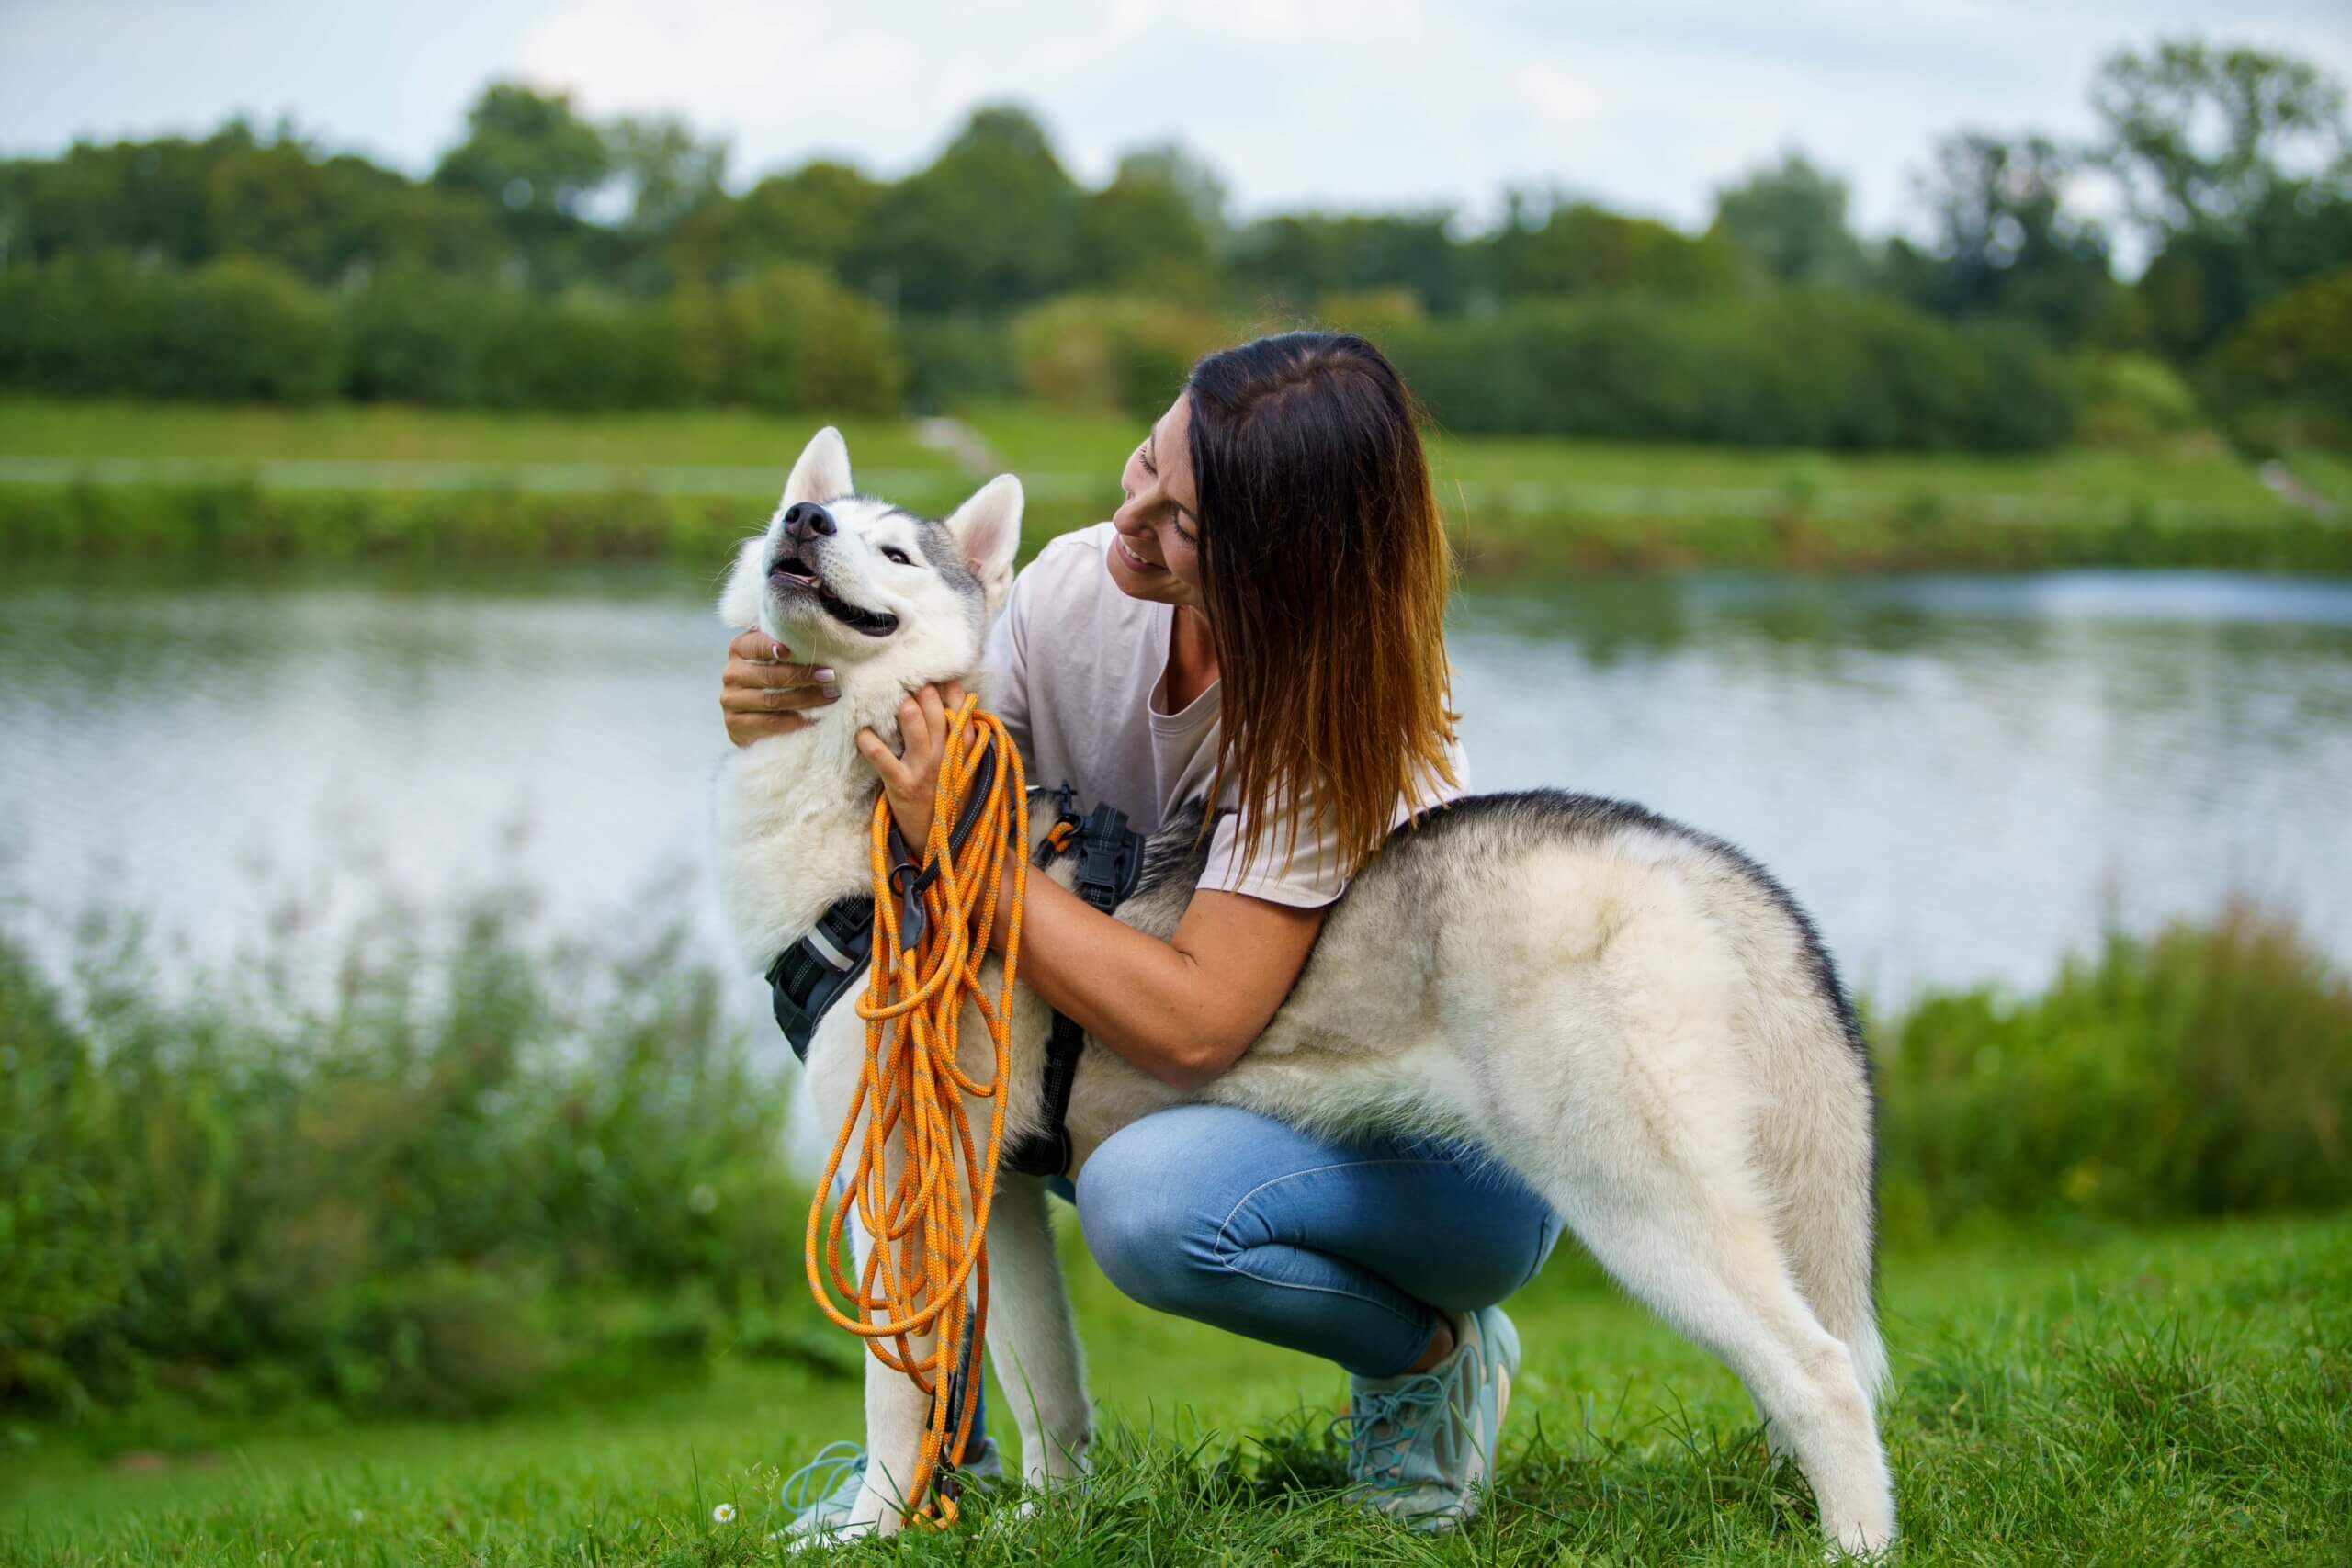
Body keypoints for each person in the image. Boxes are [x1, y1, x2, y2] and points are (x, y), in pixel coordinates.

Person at [719, 332, 1560, 1533]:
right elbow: (926, 791)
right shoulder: (1076, 591)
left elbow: (1190, 1022)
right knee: (926, 1027)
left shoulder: (1338, 719)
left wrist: (968, 849)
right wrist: (776, 704)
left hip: (1454, 1149)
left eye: (1183, 523)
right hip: (1257, 1088)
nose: (1134, 516)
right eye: (1148, 461)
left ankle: (1427, 1356)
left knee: (1150, 1208)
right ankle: (941, 1467)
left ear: (1273, 570)